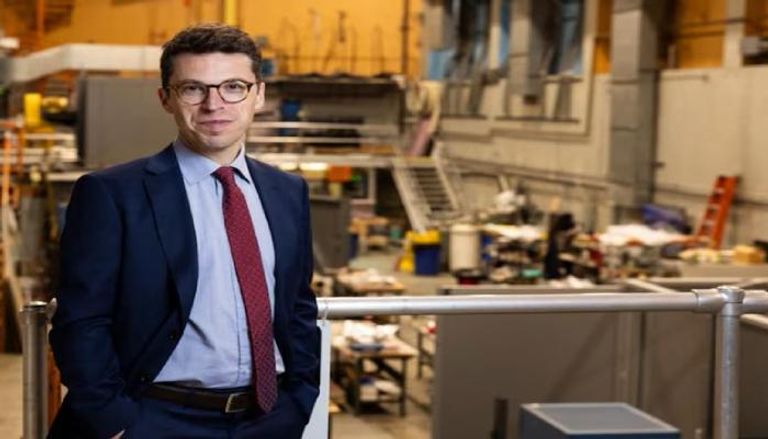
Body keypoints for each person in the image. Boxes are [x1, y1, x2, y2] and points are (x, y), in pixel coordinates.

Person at [49, 24, 320, 438]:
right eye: (193, 88)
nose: (214, 104)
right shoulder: (111, 194)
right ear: (166, 99)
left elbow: (298, 306)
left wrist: (300, 399)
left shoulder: (288, 192)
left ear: (259, 95)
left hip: (267, 420)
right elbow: (81, 319)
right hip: (154, 419)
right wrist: (114, 423)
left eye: (233, 87)